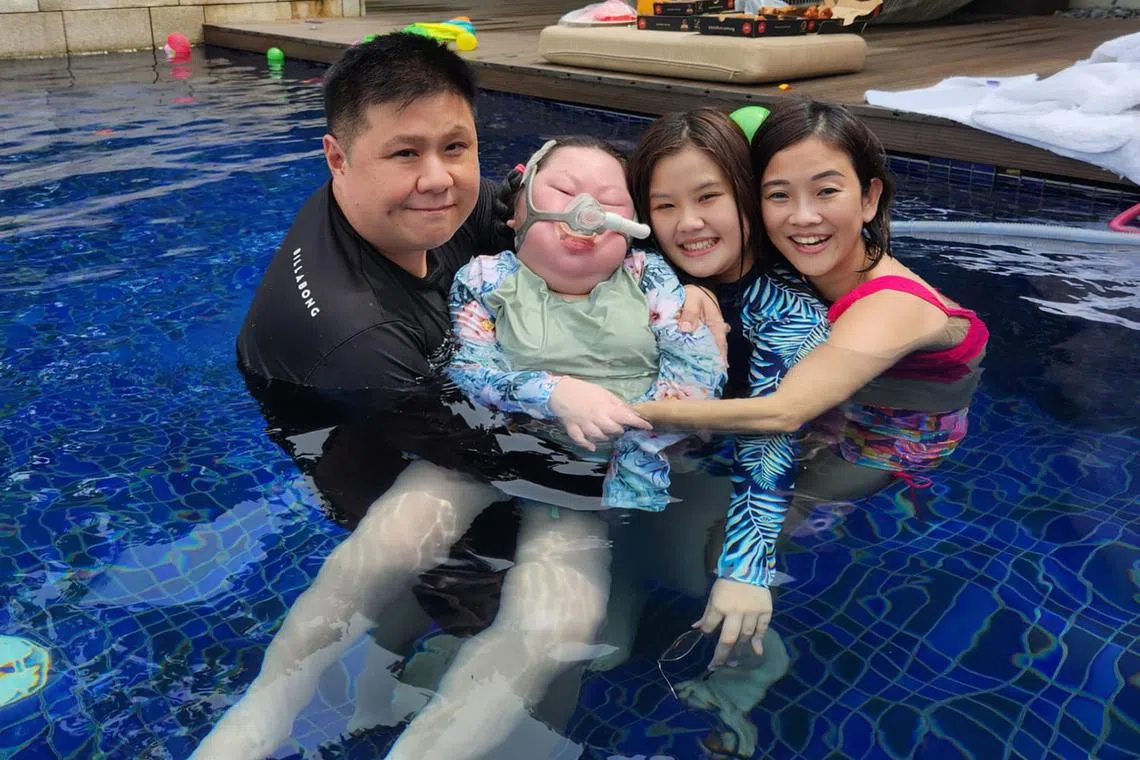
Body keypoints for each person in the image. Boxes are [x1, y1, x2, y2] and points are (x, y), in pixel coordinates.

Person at [198, 33, 727, 760]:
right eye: (405, 153)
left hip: (480, 427)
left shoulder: (478, 220)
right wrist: (640, 437)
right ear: (337, 158)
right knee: (395, 555)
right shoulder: (357, 332)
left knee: (565, 623)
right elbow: (485, 446)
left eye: (456, 147)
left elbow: (548, 208)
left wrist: (690, 301)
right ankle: (266, 711)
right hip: (371, 432)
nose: (439, 180)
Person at [629, 101, 989, 757]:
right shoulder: (785, 264)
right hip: (827, 403)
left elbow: (781, 414)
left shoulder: (890, 304)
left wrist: (626, 409)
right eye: (779, 195)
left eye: (827, 191)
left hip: (887, 441)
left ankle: (748, 669)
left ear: (870, 193)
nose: (802, 216)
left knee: (729, 550)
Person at [382, 135, 727, 760]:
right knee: (394, 548)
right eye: (565, 193)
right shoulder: (487, 279)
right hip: (501, 453)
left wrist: (633, 427)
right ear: (517, 213)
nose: (584, 212)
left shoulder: (652, 280)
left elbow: (698, 374)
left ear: (631, 226)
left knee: (576, 629)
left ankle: (468, 704)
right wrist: (555, 392)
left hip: (607, 477)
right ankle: (387, 663)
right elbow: (471, 367)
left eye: (609, 201)